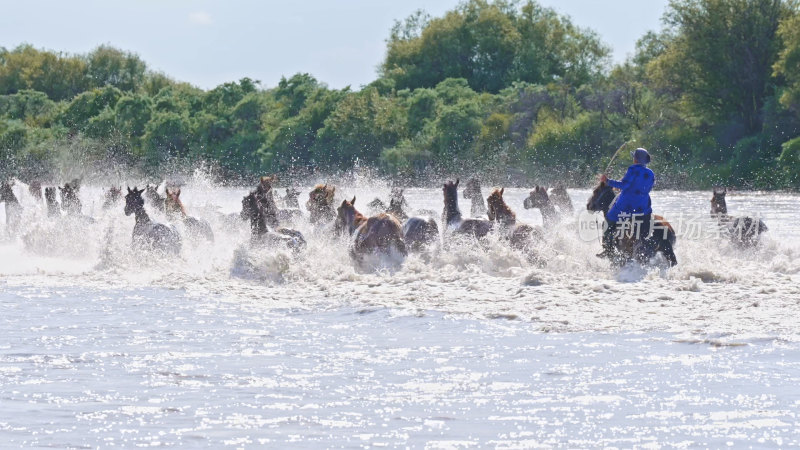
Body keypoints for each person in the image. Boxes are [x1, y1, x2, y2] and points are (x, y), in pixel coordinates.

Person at [597, 148, 654, 259]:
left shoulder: (632, 169)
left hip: (626, 205)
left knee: (608, 222)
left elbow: (624, 185)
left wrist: (607, 181)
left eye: (634, 157)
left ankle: (607, 250)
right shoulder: (651, 173)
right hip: (643, 206)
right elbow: (646, 187)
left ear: (636, 160)